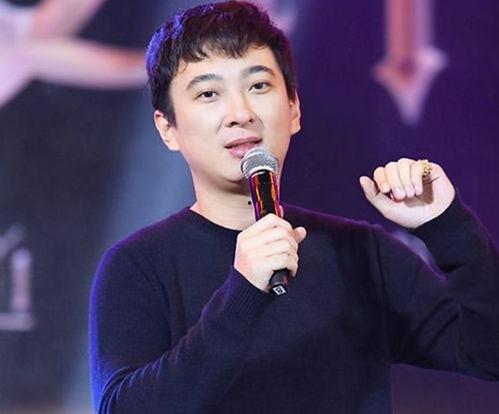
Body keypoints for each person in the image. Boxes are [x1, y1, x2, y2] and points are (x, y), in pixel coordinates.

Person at [89, 2, 499, 413]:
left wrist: (446, 225)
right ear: (167, 128)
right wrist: (243, 292)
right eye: (209, 93)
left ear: (294, 110)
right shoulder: (140, 266)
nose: (240, 114)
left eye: (258, 86)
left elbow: (489, 354)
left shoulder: (360, 254)